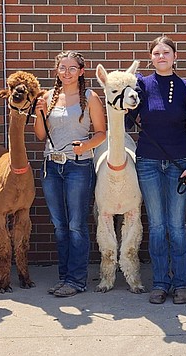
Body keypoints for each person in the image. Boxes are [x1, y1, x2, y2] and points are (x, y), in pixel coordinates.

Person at [127, 36, 186, 305]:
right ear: (151, 57)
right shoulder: (142, 85)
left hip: (179, 164)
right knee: (157, 226)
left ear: (175, 56)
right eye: (156, 53)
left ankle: (181, 283)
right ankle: (160, 282)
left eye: (166, 52)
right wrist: (124, 98)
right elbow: (126, 122)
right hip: (147, 161)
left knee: (177, 226)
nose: (161, 57)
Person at [34, 51, 106, 297]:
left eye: (72, 68)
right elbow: (41, 135)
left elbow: (101, 133)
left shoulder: (90, 97)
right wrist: (39, 112)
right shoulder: (48, 97)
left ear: (81, 71)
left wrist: (85, 146)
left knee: (76, 225)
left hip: (78, 165)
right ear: (56, 70)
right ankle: (64, 277)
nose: (67, 72)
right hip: (51, 167)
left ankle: (76, 280)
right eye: (62, 68)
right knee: (59, 225)